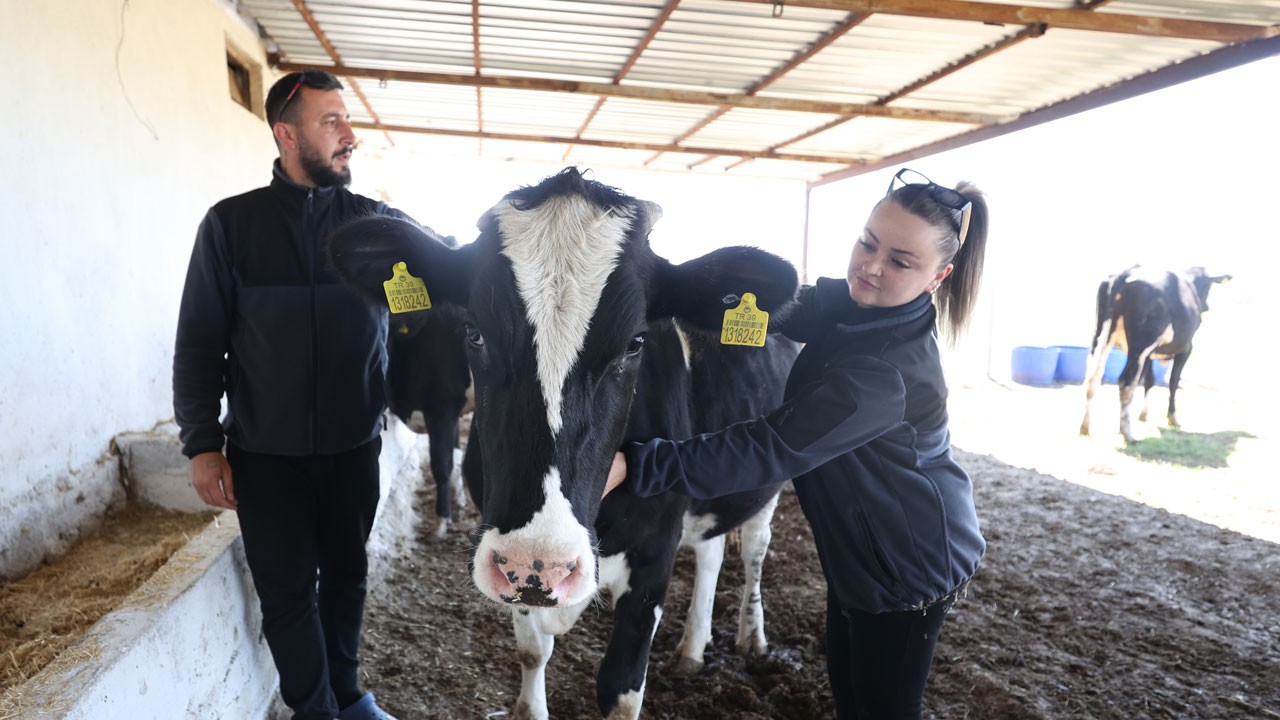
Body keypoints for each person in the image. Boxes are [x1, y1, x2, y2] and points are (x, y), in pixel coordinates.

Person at [605, 168, 990, 720]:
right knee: (849, 695)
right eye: (867, 242)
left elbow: (767, 449)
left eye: (900, 262)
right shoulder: (856, 306)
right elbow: (765, 314)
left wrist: (636, 463)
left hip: (908, 567)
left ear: (939, 275)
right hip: (860, 549)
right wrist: (657, 291)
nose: (871, 267)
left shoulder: (886, 373)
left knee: (882, 709)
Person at [173, 69, 409, 720]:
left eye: (348, 120)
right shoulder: (230, 227)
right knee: (286, 595)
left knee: (346, 577)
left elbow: (421, 314)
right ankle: (315, 711)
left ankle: (350, 694)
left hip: (353, 445)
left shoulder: (381, 230)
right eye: (331, 121)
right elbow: (198, 344)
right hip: (264, 454)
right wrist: (201, 444)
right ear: (285, 133)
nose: (350, 136)